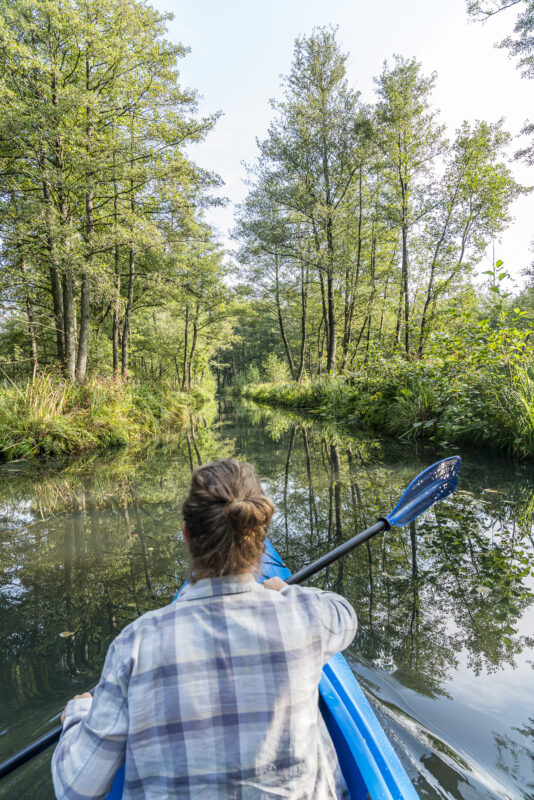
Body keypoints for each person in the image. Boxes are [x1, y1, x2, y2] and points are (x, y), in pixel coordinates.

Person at [52, 458, 357, 799]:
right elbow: (344, 614)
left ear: (186, 535)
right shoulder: (306, 616)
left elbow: (76, 790)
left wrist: (78, 712)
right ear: (260, 535)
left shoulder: (135, 643)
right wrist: (284, 591)